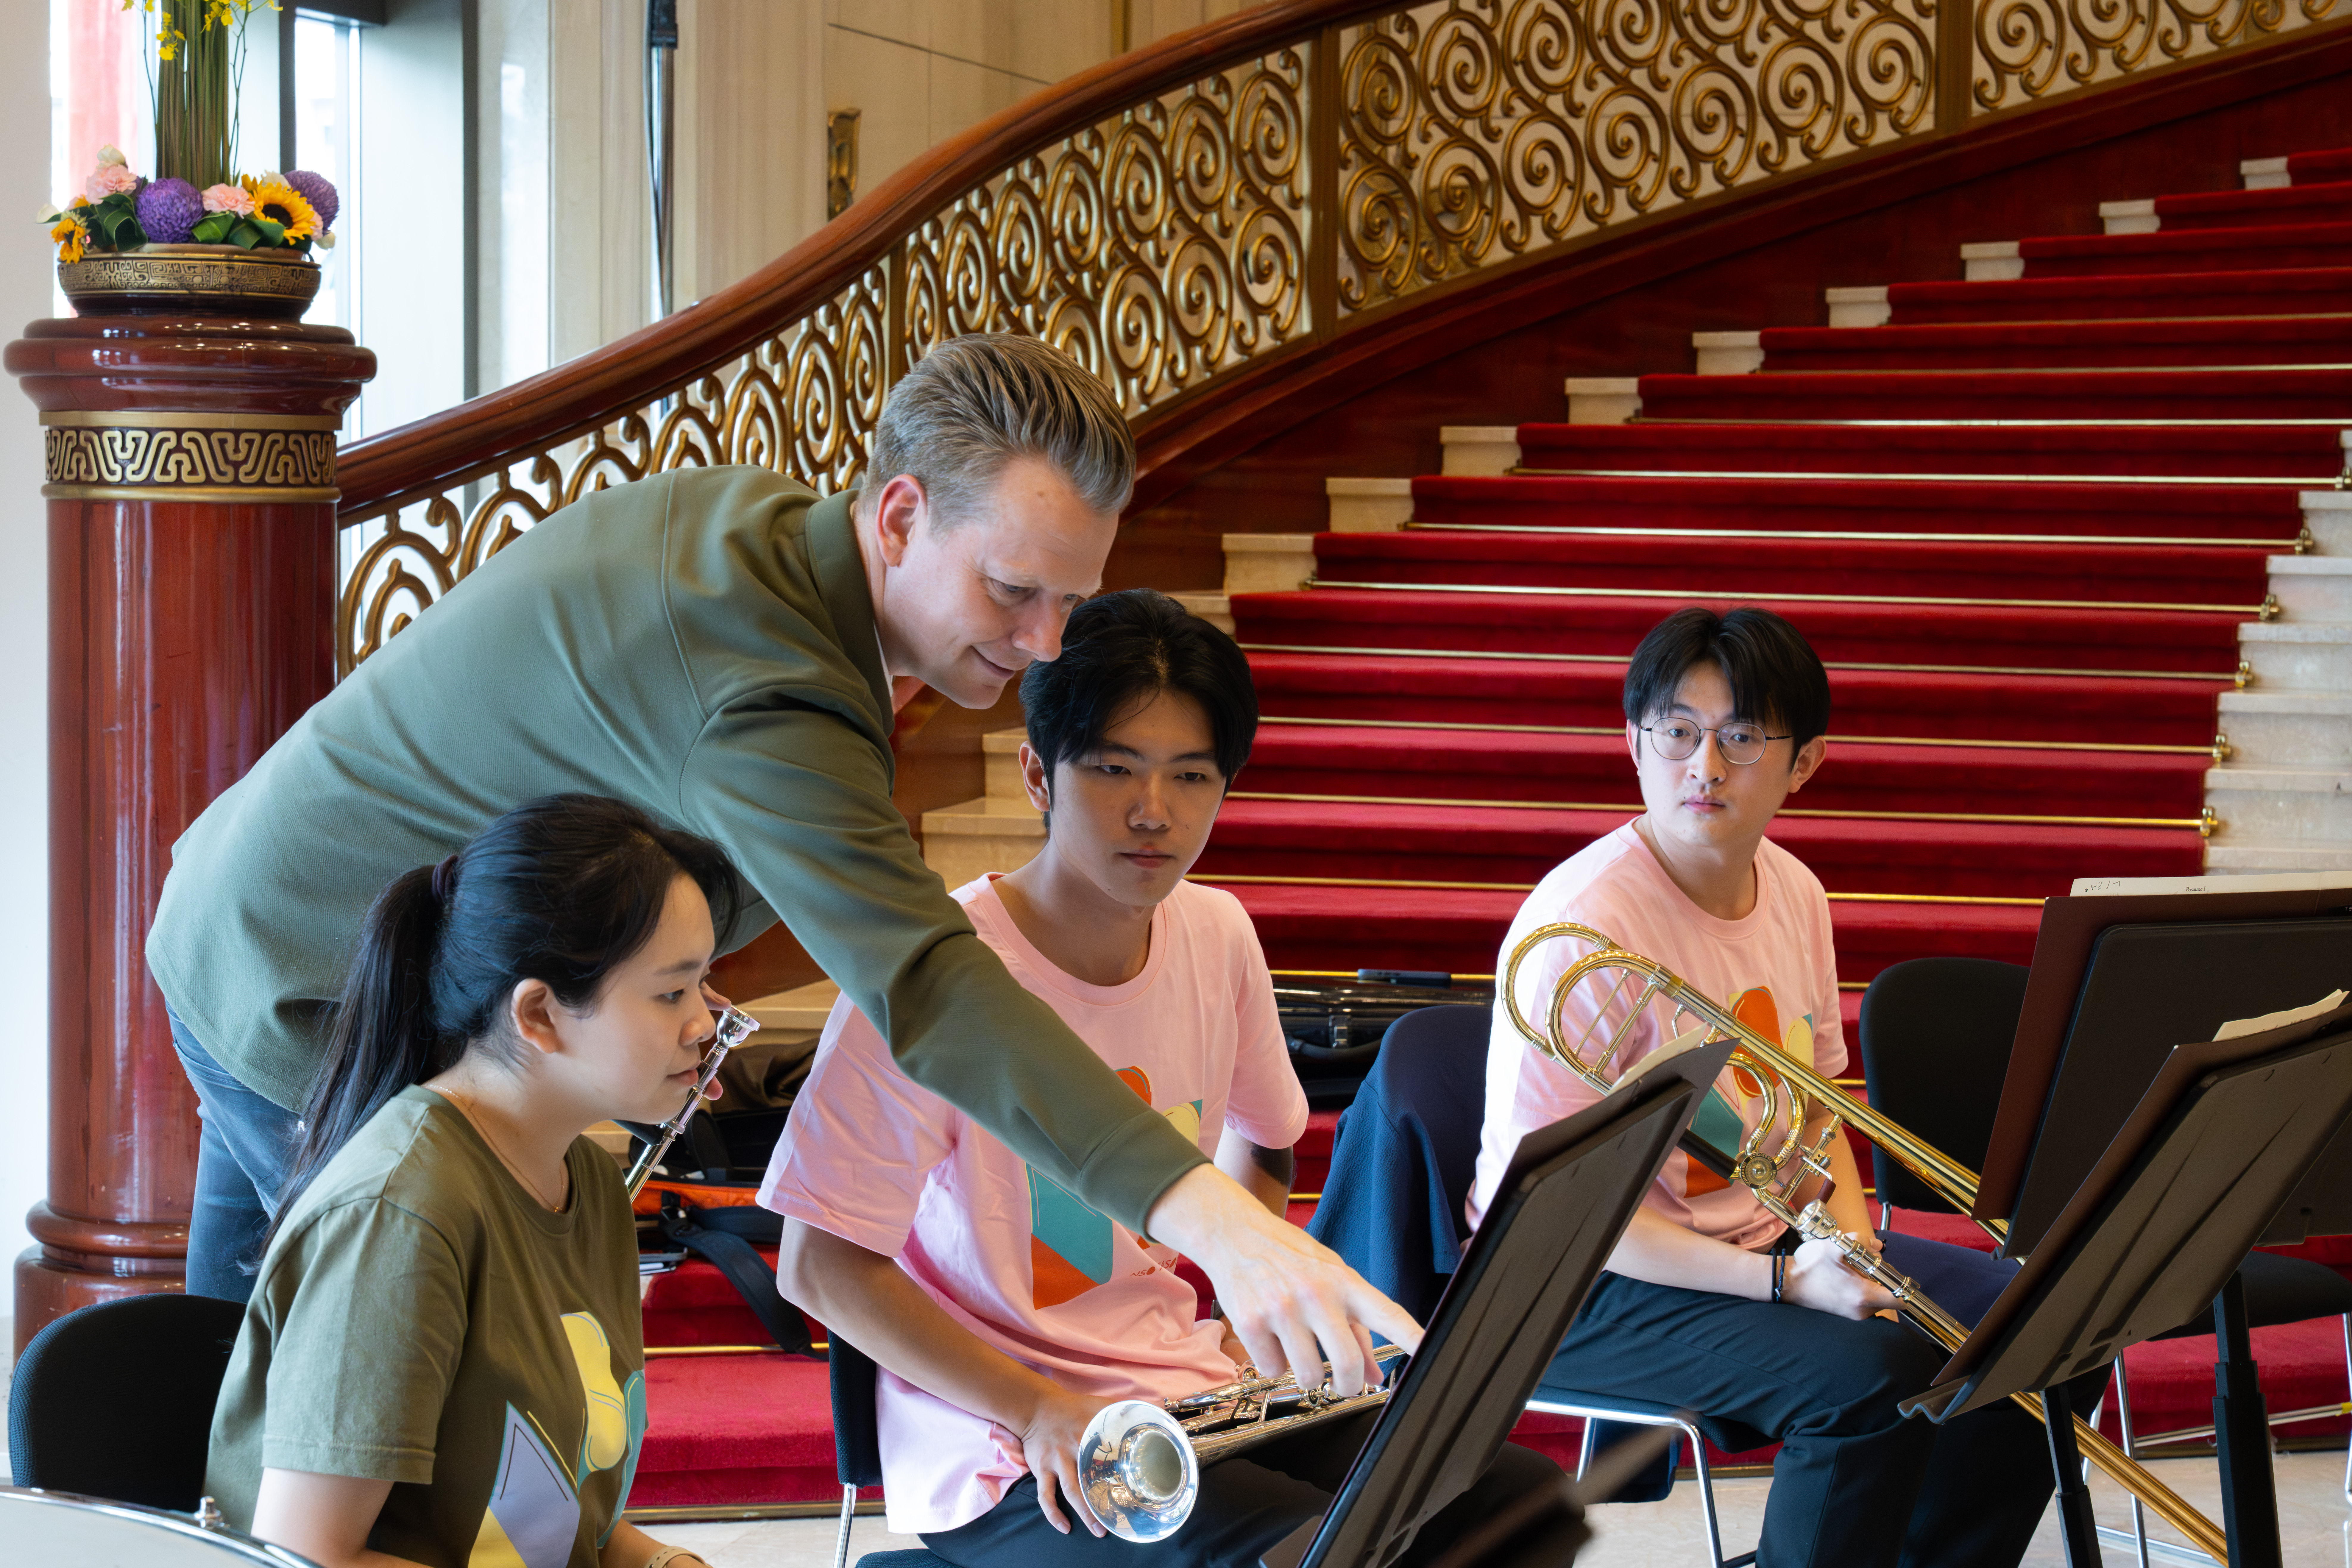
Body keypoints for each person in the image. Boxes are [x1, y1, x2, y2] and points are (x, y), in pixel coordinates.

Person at [148, 333, 1413, 1386]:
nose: (1043, 644)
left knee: (230, 1409)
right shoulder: (765, 681)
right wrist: (1204, 1216)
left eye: (1071, 604)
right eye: (1014, 592)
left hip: (257, 924)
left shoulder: (776, 544)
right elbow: (924, 983)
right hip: (307, 981)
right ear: (902, 515)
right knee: (450, 1412)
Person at [763, 591, 1559, 1566]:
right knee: (1308, 1550)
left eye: (1192, 775)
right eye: (1112, 769)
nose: (1155, 812)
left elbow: (1267, 1135)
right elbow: (818, 1264)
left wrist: (1230, 1296)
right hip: (1005, 1444)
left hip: (1184, 1391)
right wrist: (1038, 1405)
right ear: (1035, 774)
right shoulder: (935, 976)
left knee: (1509, 1499)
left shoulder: (1217, 932)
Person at [1469, 606, 2106, 1568]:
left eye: (1740, 738)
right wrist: (1782, 1282)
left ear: (1802, 762)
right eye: (1677, 732)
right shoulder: (1580, 930)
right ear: (1632, 741)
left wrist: (1851, 1252)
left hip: (1764, 1238)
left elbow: (1819, 1116)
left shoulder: (1795, 890)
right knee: (1872, 1376)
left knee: (2057, 1325)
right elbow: (1560, 1215)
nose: (1704, 766)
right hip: (1578, 1281)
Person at [207, 794, 739, 1568]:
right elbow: (307, 1557)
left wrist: (657, 1561)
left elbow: (551, 1513)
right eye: (672, 992)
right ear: (540, 1014)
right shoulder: (403, 1213)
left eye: (704, 984)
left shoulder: (585, 1179)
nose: (707, 1023)